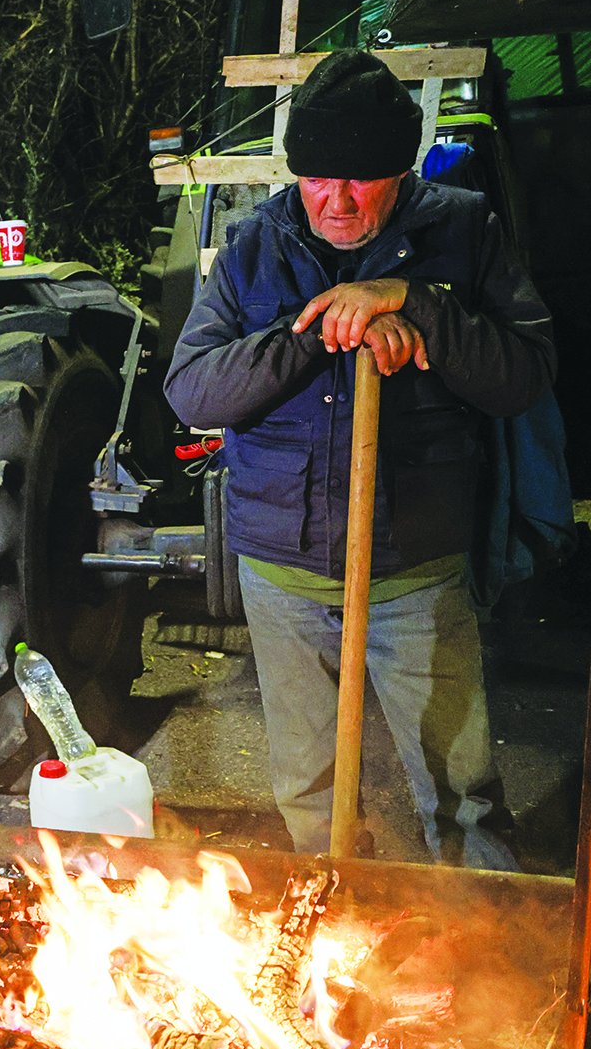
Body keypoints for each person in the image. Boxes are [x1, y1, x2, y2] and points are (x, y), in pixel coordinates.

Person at [165, 49, 556, 868]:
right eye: (317, 179)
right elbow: (193, 392)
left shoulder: (464, 231)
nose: (336, 201)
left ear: (401, 170)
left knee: (462, 792)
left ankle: (488, 938)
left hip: (414, 569)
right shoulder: (252, 249)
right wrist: (315, 331)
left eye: (361, 180)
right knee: (309, 791)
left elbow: (524, 376)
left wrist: (416, 305)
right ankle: (336, 925)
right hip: (284, 572)